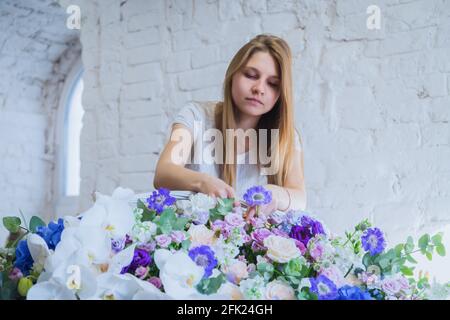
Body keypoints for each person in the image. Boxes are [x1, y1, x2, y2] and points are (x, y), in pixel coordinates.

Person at [154, 34, 306, 218]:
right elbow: (164, 171)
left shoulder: (285, 137)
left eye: (273, 84)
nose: (259, 88)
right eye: (251, 75)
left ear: (281, 94)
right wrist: (202, 182)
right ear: (232, 75)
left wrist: (277, 194)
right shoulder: (196, 116)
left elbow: (300, 198)